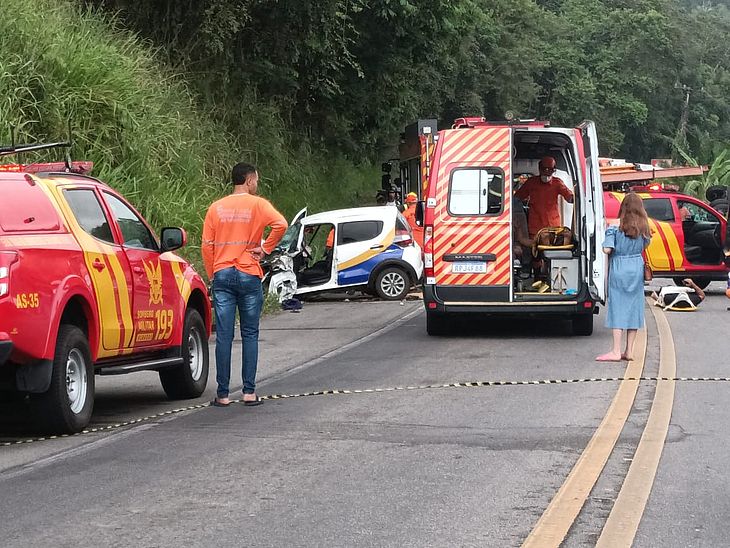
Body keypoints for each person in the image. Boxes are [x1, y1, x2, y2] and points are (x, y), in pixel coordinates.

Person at [202, 163, 288, 407]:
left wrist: (213, 274)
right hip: (249, 272)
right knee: (250, 333)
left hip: (223, 274)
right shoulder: (258, 205)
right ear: (249, 180)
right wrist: (266, 248)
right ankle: (249, 393)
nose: (256, 184)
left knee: (224, 336)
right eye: (256, 180)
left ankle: (223, 395)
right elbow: (281, 224)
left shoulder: (216, 208)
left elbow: (207, 245)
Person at [596, 192, 652, 362]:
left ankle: (615, 350)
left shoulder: (614, 229)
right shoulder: (644, 230)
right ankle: (629, 351)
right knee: (634, 308)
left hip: (620, 267)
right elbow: (646, 245)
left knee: (618, 307)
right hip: (636, 267)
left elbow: (607, 250)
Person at [515, 156, 574, 238]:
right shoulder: (531, 183)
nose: (546, 174)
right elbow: (517, 197)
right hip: (535, 228)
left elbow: (569, 197)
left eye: (549, 171)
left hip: (553, 227)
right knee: (535, 248)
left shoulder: (557, 183)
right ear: (539, 169)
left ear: (553, 170)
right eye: (544, 170)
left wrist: (575, 197)